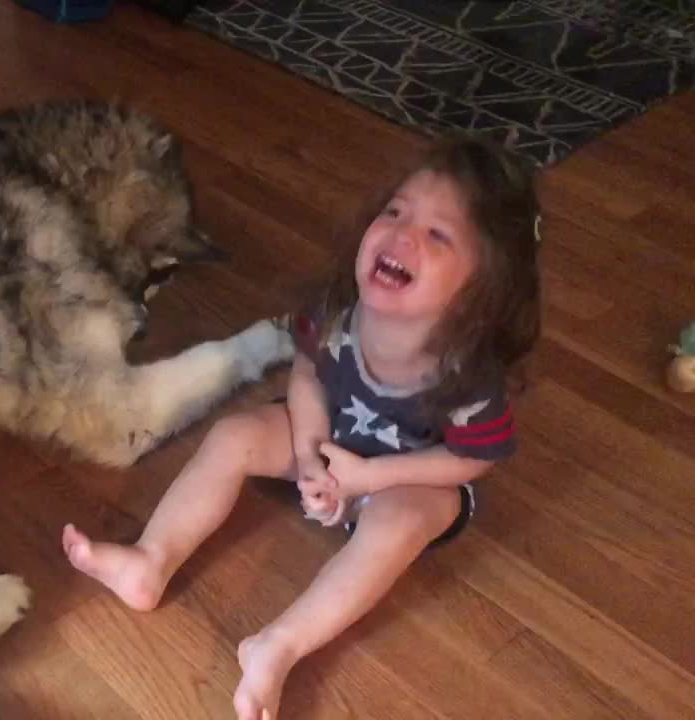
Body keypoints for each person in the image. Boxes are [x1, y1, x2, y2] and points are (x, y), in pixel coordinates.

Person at [61, 133, 543, 720]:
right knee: (233, 435)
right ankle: (150, 560)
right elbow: (310, 372)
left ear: (480, 293)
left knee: (406, 520)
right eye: (395, 211)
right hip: (332, 443)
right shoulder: (340, 313)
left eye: (438, 234)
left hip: (407, 474)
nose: (401, 233)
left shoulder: (469, 373)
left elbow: (473, 459)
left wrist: (370, 477)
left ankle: (276, 648)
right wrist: (310, 450)